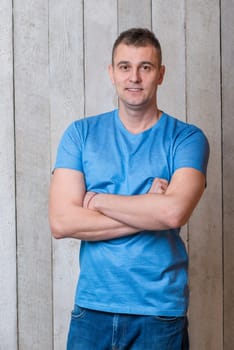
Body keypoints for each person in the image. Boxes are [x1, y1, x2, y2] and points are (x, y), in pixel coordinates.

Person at [49, 28, 209, 350]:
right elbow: (62, 222)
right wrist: (147, 206)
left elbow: (173, 211)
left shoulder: (187, 139)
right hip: (92, 309)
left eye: (145, 67)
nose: (134, 77)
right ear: (111, 73)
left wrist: (96, 200)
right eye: (124, 67)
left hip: (159, 313)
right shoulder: (80, 134)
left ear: (160, 74)